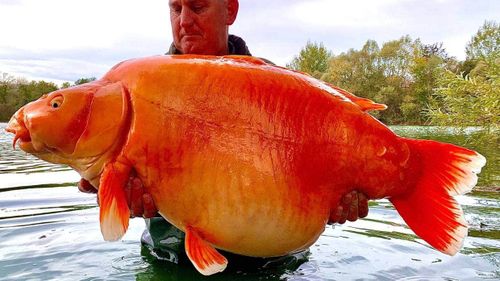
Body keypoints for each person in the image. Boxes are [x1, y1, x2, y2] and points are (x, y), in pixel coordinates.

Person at [79, 0, 369, 266]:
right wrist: (117, 195)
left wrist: (336, 205)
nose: (185, 21)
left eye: (198, 7)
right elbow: (113, 193)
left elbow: (311, 185)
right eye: (176, 8)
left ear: (230, 10)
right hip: (169, 259)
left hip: (269, 266)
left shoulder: (281, 90)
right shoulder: (136, 89)